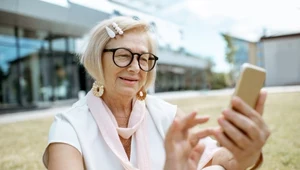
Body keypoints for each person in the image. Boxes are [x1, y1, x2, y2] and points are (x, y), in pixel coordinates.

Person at [42, 16, 270, 170]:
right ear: (97, 58)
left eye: (144, 58)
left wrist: (245, 153)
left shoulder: (168, 115)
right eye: (123, 55)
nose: (135, 67)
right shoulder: (69, 127)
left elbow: (215, 159)